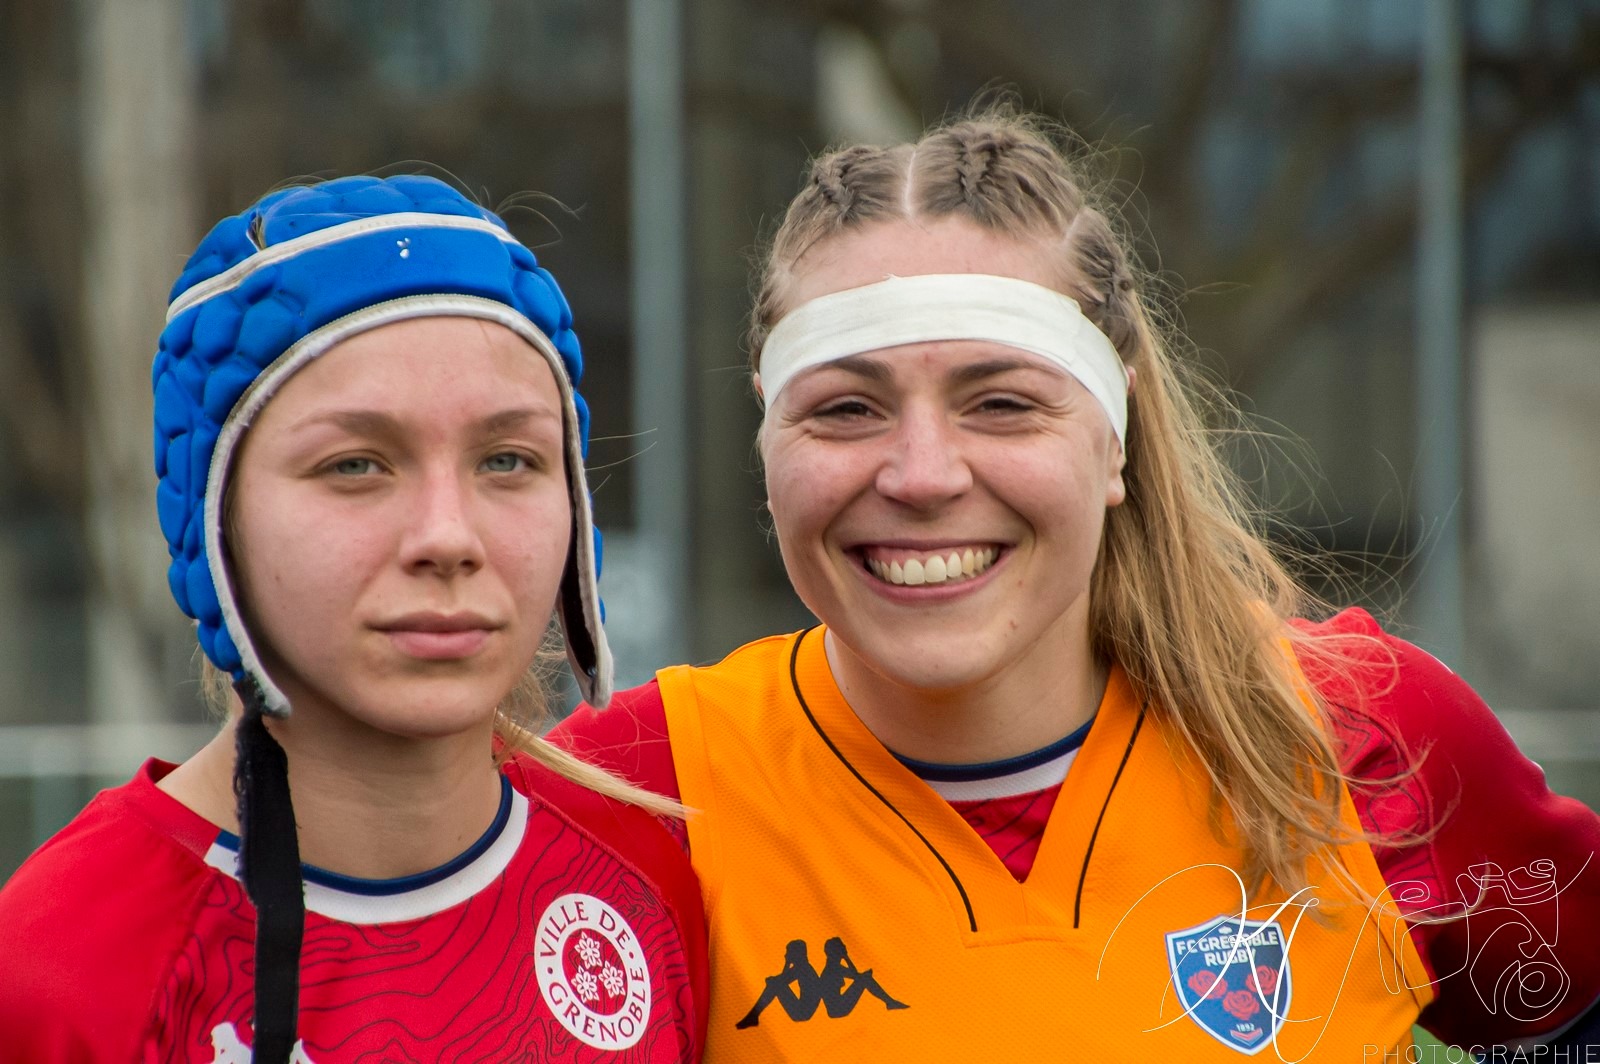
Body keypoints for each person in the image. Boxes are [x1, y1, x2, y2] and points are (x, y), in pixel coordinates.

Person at [554, 107, 1600, 1059]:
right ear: (767, 439)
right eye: (844, 409)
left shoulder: (1362, 734)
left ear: (1114, 439)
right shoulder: (629, 793)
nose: (921, 474)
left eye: (1002, 402)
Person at [0, 176, 706, 1062]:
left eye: (508, 459)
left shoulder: (652, 878)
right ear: (214, 521)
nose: (447, 537)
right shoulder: (61, 967)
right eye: (356, 466)